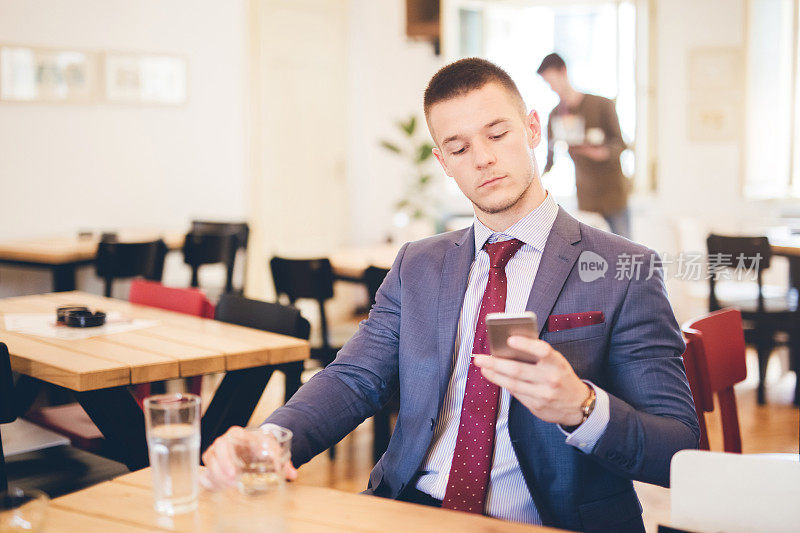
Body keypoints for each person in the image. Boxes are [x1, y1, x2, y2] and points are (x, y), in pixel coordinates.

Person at [203, 58, 698, 533]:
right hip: (409, 511)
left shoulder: (621, 269)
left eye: (497, 134)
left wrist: (581, 407)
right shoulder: (417, 264)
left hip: (549, 521)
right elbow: (354, 379)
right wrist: (269, 439)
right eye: (459, 149)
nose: (482, 158)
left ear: (531, 129)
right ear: (443, 162)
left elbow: (679, 451)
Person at [537, 53, 632, 239]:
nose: (551, 88)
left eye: (552, 81)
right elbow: (550, 161)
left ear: (563, 71)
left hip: (614, 196)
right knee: (593, 257)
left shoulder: (602, 105)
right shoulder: (555, 115)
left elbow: (620, 145)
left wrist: (599, 153)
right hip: (586, 200)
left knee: (626, 256)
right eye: (547, 84)